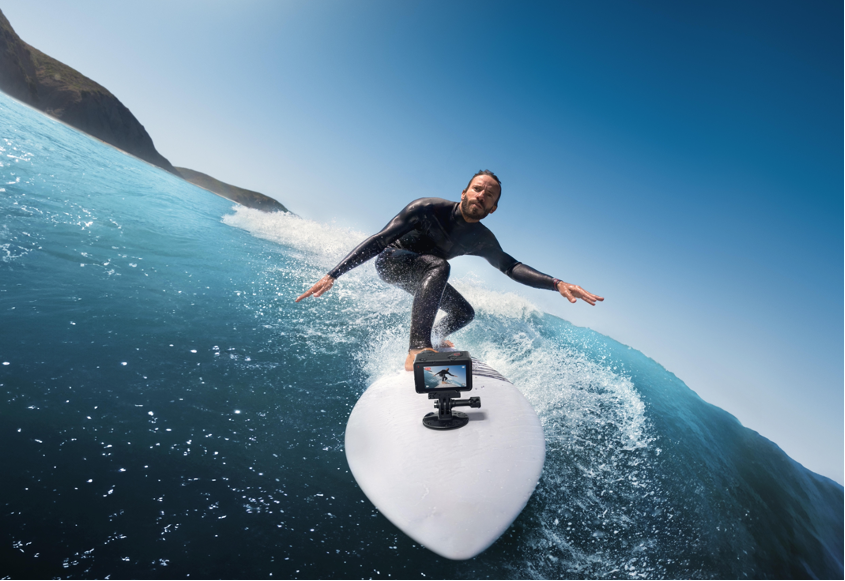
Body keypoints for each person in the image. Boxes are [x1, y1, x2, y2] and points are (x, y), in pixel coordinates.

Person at [295, 170, 603, 370]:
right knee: (439, 265)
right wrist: (334, 274)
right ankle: (418, 348)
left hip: (426, 273)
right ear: (464, 192)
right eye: (477, 189)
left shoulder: (481, 239)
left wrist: (556, 283)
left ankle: (436, 339)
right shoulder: (426, 208)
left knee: (464, 313)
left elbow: (510, 267)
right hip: (391, 261)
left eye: (489, 195)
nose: (481, 195)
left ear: (493, 208)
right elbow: (380, 239)